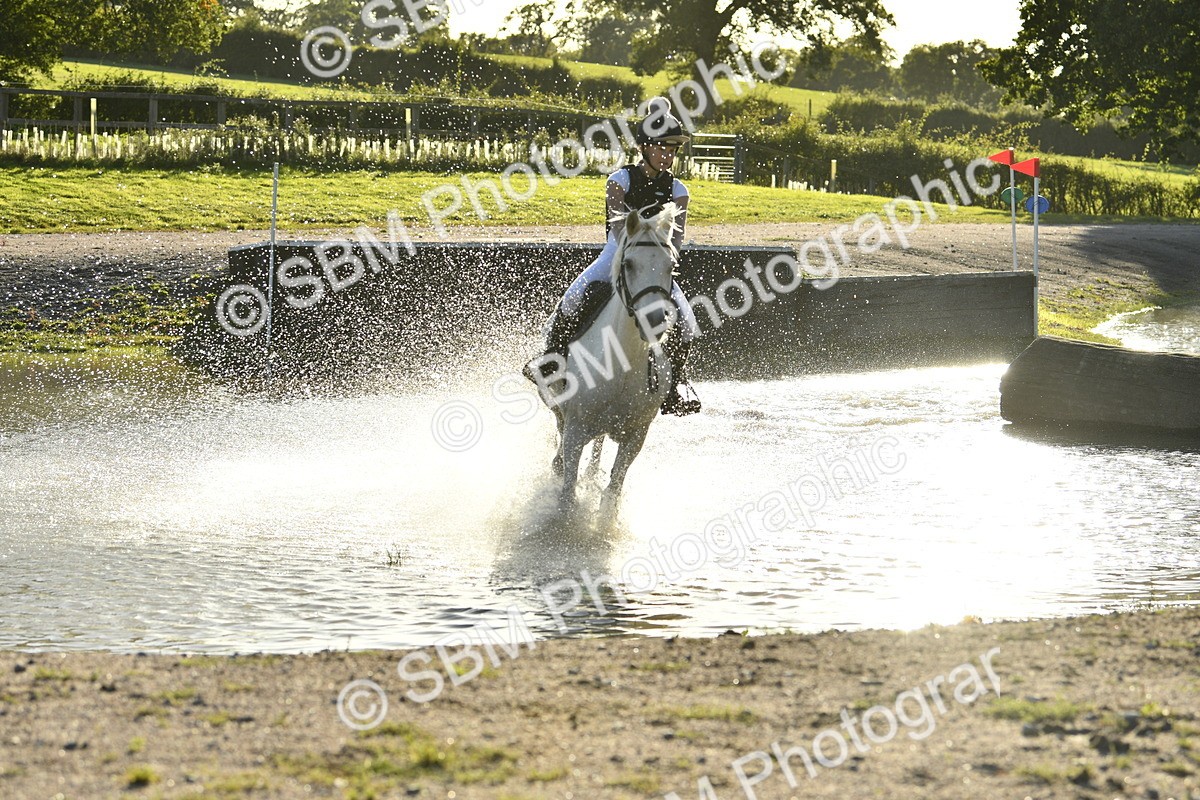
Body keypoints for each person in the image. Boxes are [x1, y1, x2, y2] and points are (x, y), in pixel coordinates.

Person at [524, 97, 702, 416]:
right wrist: (633, 255)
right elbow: (619, 231)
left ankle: (673, 386)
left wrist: (661, 264)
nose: (668, 155)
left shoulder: (679, 192)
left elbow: (676, 240)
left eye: (672, 149)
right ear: (644, 147)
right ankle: (551, 362)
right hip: (614, 257)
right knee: (573, 299)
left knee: (687, 323)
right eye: (662, 148)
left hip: (655, 266)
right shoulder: (619, 182)